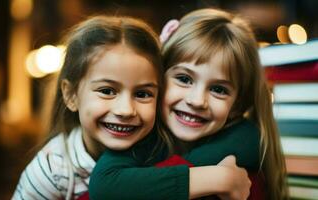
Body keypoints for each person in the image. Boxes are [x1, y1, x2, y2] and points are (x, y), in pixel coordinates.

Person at [12, 15, 250, 200]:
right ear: (71, 95)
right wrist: (218, 178)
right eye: (107, 91)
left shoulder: (158, 140)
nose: (126, 110)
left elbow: (250, 137)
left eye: (143, 94)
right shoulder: (52, 170)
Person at [89, 8, 288, 200]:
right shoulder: (142, 134)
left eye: (218, 90)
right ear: (156, 79)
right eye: (184, 79)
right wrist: (217, 178)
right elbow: (105, 186)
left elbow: (253, 141)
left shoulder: (245, 142)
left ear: (237, 105)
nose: (197, 101)